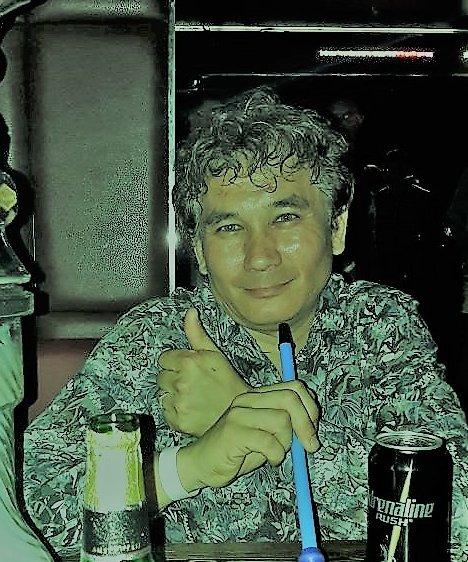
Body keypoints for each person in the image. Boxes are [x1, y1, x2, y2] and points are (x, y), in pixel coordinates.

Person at [22, 88, 468, 560]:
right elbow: (24, 508)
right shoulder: (155, 338)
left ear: (336, 228)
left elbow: (455, 515)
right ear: (198, 248)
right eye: (229, 227)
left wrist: (254, 418)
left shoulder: (380, 326)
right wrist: (184, 469)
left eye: (286, 217)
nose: (260, 256)